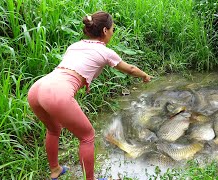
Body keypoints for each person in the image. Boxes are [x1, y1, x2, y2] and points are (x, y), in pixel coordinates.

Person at [27, 11, 152, 180]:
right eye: (113, 30)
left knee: (53, 129)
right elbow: (129, 69)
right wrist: (144, 75)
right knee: (87, 137)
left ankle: (55, 169)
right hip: (57, 92)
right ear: (105, 31)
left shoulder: (75, 46)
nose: (113, 33)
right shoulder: (105, 51)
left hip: (38, 88)